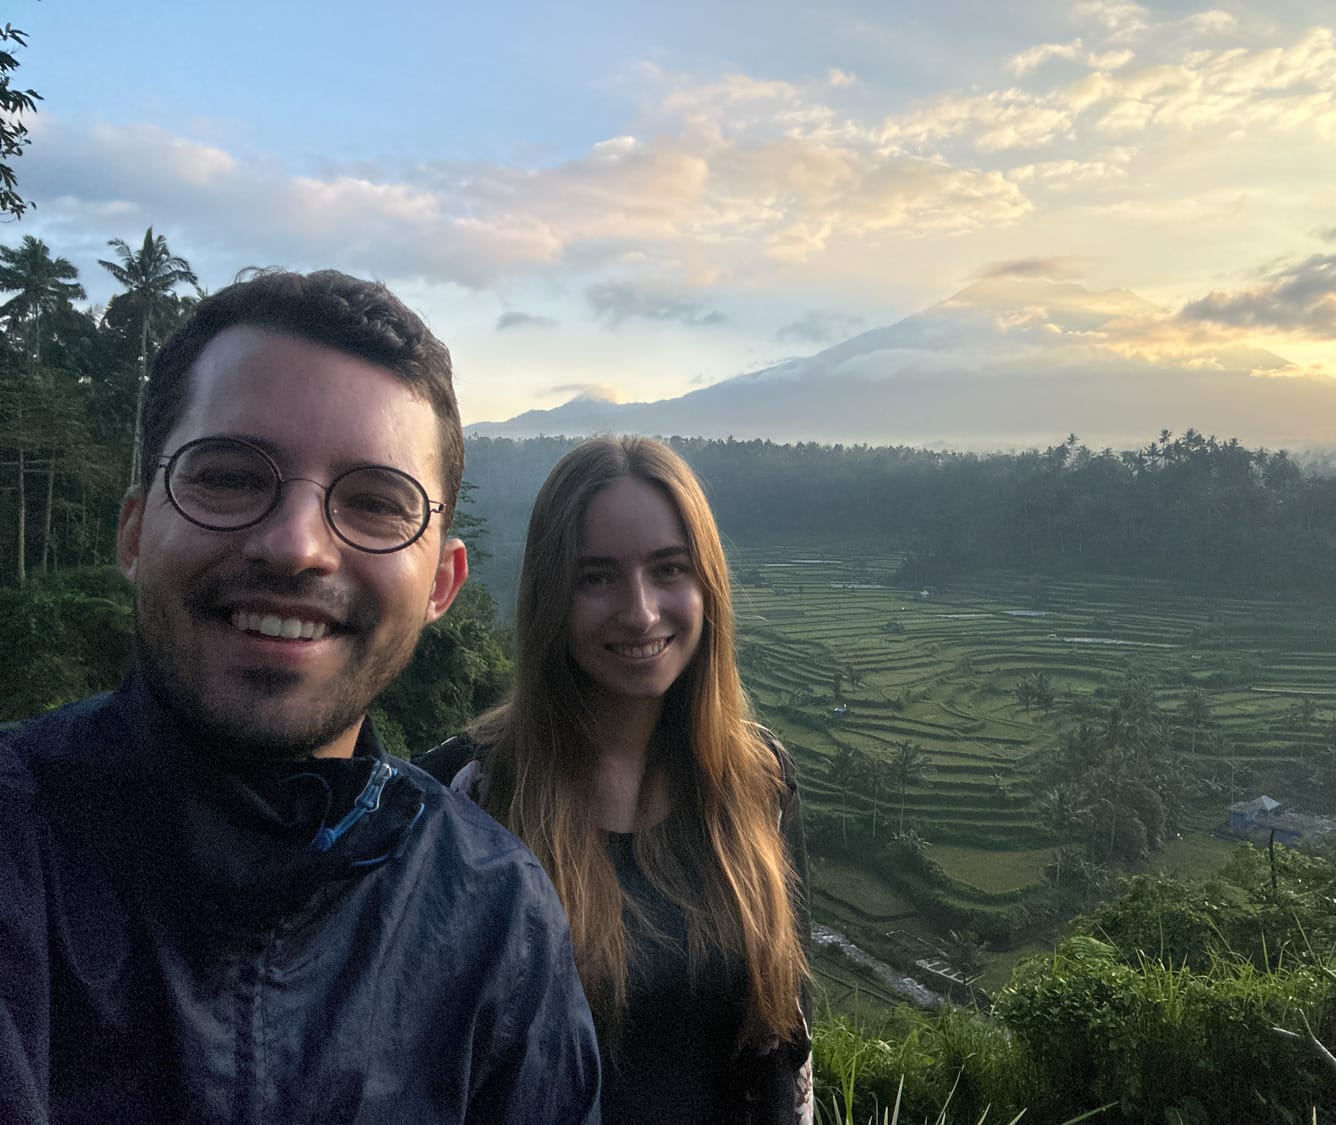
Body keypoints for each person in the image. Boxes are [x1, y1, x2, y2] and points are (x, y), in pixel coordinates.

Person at [0, 269, 601, 1124]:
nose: (296, 547)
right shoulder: (18, 854)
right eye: (230, 475)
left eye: (375, 503)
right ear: (134, 530)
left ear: (442, 582)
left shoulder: (497, 920)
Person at [419, 436, 813, 1124]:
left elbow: (790, 1044)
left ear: (707, 584)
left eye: (668, 569)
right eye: (595, 576)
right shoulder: (465, 796)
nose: (639, 611)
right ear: (551, 595)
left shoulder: (759, 786)